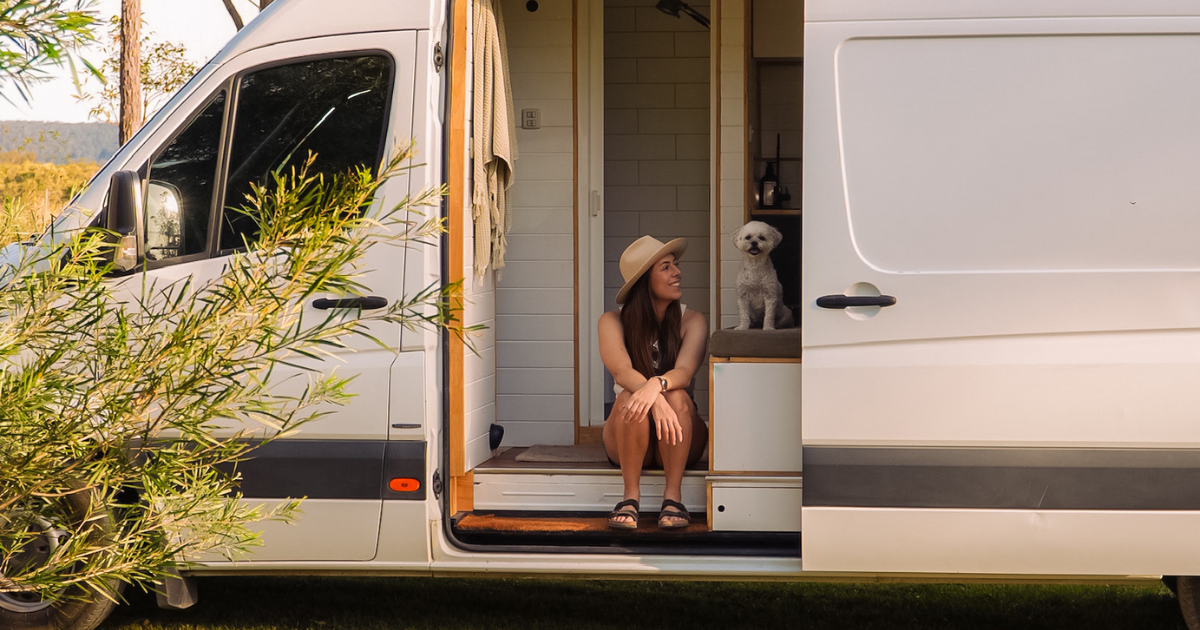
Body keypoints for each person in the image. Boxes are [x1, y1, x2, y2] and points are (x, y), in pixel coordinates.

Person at [599, 235, 708, 530]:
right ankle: (630, 497)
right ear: (644, 280)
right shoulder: (612, 321)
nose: (677, 273)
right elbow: (621, 372)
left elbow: (684, 371)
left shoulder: (692, 320)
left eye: (675, 265)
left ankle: (673, 496)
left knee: (678, 396)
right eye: (666, 267)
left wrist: (656, 387)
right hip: (629, 437)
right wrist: (652, 398)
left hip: (677, 435)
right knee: (627, 398)